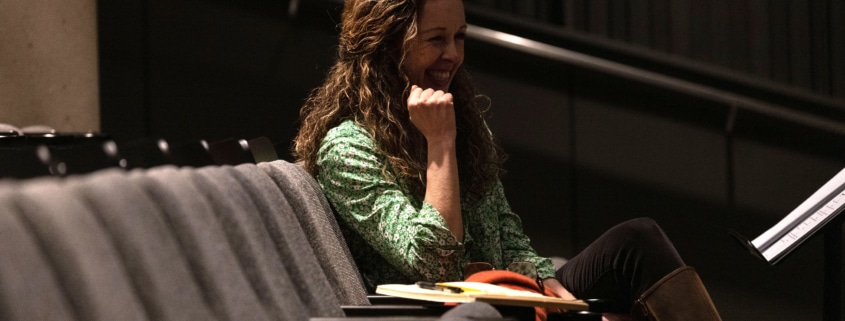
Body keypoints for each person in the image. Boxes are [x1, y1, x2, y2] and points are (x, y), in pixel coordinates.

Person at [292, 0, 721, 320]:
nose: (453, 55)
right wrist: (440, 144)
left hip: (506, 296)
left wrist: (546, 284)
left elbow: (509, 240)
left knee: (637, 240)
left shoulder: (465, 126)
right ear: (386, 46)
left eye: (459, 37)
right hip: (448, 312)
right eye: (436, 39)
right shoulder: (347, 148)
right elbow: (433, 261)